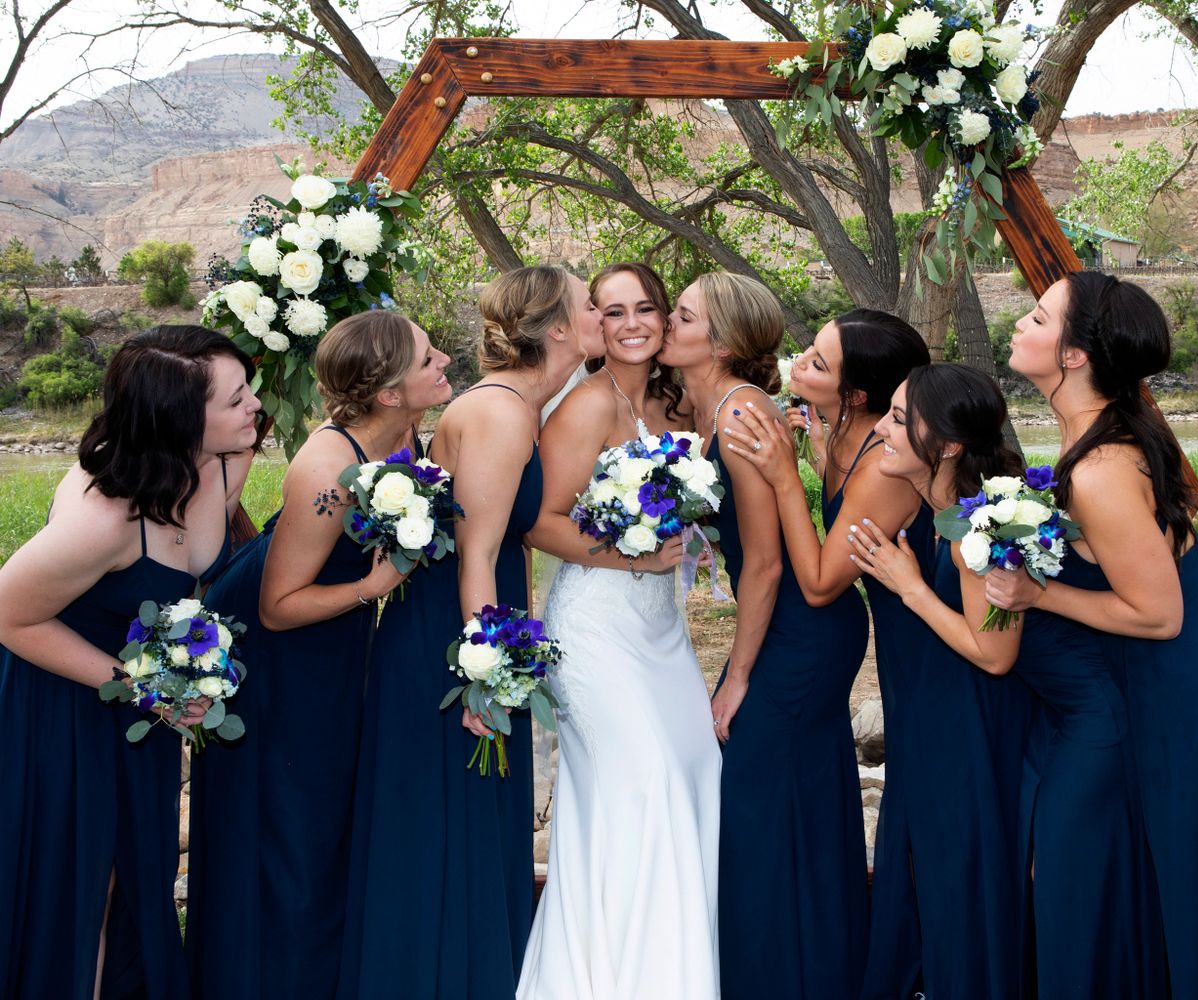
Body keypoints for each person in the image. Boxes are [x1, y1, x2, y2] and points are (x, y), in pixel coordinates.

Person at [336, 265, 602, 998]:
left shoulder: (527, 406)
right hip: (451, 648)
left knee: (477, 827)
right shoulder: (501, 412)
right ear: (556, 329)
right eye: (589, 305)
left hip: (476, 629)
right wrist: (487, 679)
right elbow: (476, 559)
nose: (603, 313)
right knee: (447, 828)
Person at [985, 271, 1198, 1000]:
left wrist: (1042, 593)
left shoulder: (1099, 469)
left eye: (1038, 317)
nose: (1020, 323)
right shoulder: (1097, 435)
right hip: (1185, 660)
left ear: (1073, 356)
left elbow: (1160, 613)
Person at [187, 312, 448, 1000]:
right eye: (428, 358)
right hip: (282, 657)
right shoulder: (328, 470)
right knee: (292, 828)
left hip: (332, 648)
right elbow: (277, 606)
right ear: (389, 393)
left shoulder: (404, 431)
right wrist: (372, 585)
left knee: (328, 821)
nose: (445, 359)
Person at [0, 326, 259, 1000]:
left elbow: (192, 582)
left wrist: (189, 666)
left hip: (137, 703)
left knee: (135, 875)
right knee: (83, 882)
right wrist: (148, 687)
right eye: (236, 399)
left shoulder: (229, 459)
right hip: (60, 700)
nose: (253, 408)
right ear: (179, 420)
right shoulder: (103, 517)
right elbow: (9, 616)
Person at [660, 271, 869, 999]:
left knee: (756, 799)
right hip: (787, 625)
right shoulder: (709, 406)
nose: (665, 321)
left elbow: (768, 562)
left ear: (720, 340)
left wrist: (738, 675)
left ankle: (784, 973)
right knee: (792, 801)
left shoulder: (744, 412)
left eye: (680, 315)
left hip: (796, 633)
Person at [517, 262, 720, 998]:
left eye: (647, 308)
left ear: (665, 317)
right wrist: (626, 553)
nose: (632, 323)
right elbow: (539, 522)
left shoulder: (672, 405)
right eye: (613, 311)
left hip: (661, 631)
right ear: (592, 325)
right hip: (597, 626)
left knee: (693, 775)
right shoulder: (584, 409)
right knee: (646, 784)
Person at [724, 309, 932, 1000]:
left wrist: (785, 474)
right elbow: (842, 514)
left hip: (930, 639)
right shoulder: (844, 430)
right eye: (806, 349)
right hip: (887, 631)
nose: (797, 364)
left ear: (860, 396)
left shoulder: (889, 458)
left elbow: (817, 581)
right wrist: (811, 452)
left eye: (817, 362)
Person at [846, 363, 1032, 999]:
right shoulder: (931, 515)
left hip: (979, 725)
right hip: (942, 717)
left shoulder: (978, 526)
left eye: (899, 420)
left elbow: (996, 652)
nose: (883, 431)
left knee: (962, 874)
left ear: (949, 446)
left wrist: (911, 589)